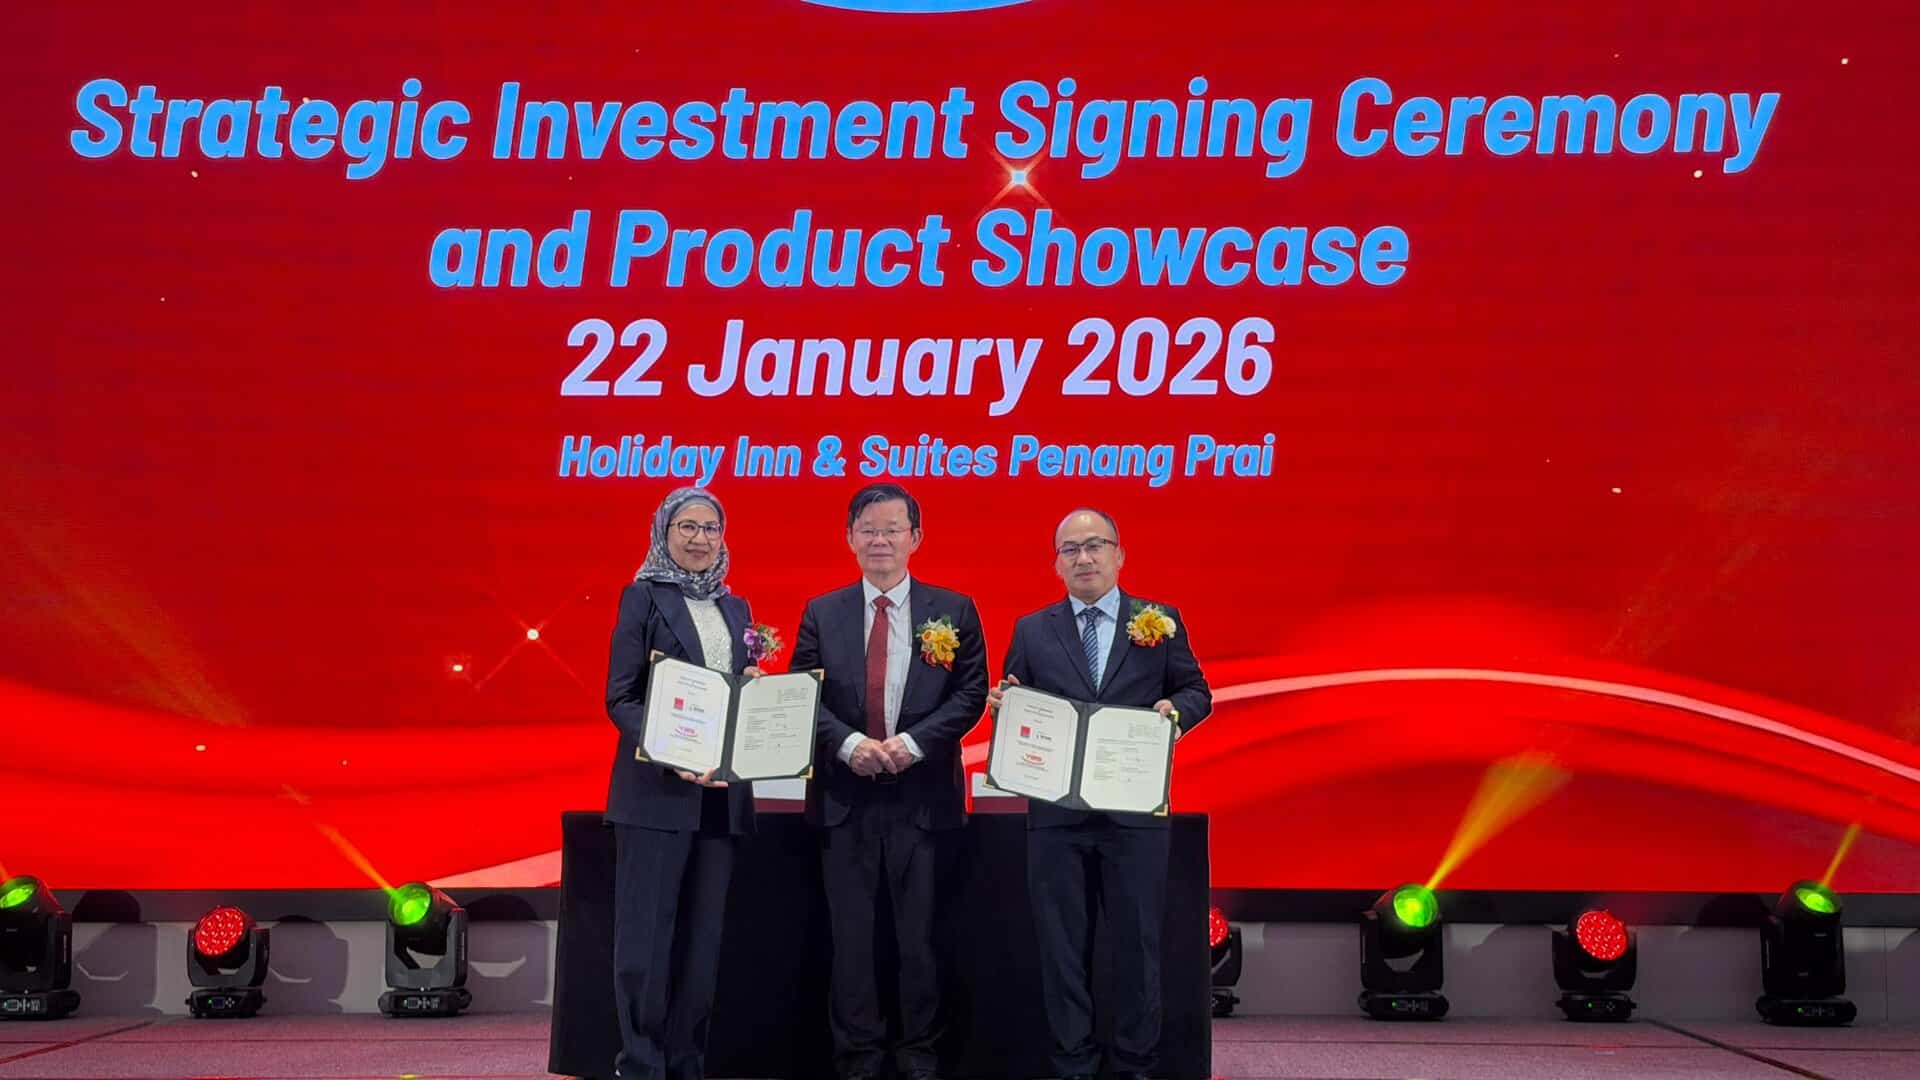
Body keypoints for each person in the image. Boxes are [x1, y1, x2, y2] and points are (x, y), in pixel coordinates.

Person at [989, 508, 1212, 1080]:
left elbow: (1196, 691)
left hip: (1134, 812)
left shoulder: (1159, 620)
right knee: (1061, 950)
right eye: (1070, 549)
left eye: (1095, 545)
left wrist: (1175, 711)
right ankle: (1073, 1064)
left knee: (1137, 945)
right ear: (1056, 563)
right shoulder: (1032, 629)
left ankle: (1135, 1064)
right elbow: (1016, 698)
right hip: (1056, 816)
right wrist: (1005, 706)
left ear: (1119, 554)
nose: (1083, 558)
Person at [792, 482, 989, 1080]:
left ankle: (918, 1055)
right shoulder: (822, 612)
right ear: (850, 538)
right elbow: (802, 693)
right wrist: (849, 744)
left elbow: (971, 694)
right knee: (851, 940)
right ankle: (858, 1057)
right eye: (869, 530)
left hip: (923, 801)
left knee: (920, 939)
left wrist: (913, 743)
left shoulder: (953, 610)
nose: (880, 540)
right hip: (844, 797)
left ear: (915, 538)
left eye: (892, 530)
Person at [604, 487, 760, 1080]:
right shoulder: (643, 597)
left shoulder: (736, 607)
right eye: (687, 526)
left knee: (703, 942)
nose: (699, 538)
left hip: (721, 797)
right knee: (646, 941)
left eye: (711, 528)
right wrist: (671, 752)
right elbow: (621, 697)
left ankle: (687, 1062)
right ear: (663, 533)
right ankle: (641, 1064)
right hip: (656, 793)